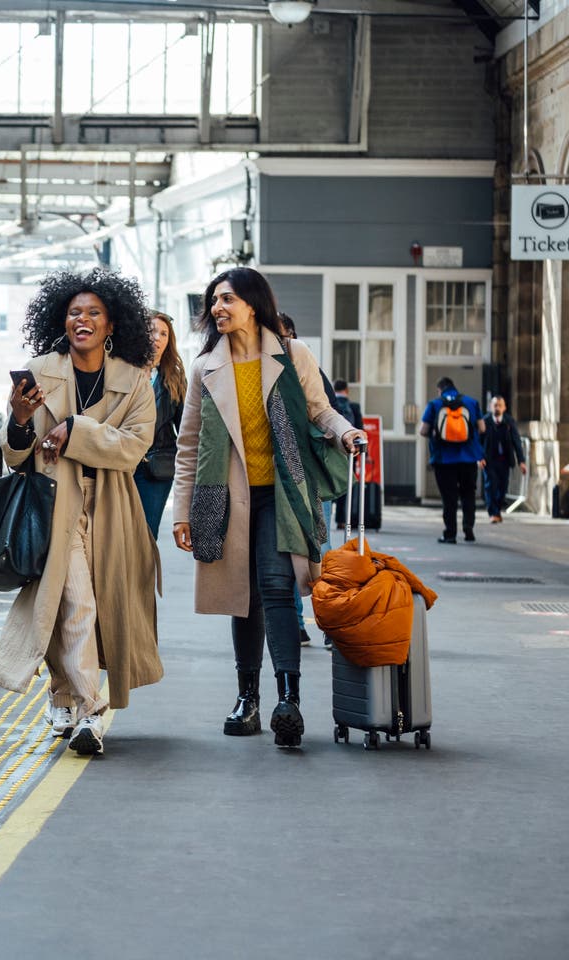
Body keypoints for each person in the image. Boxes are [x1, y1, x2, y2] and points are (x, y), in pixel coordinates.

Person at [171, 268, 363, 749]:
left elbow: (320, 410)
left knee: (277, 585)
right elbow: (189, 444)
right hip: (226, 495)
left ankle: (288, 700)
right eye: (213, 300)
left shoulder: (293, 354)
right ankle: (247, 698)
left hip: (282, 491)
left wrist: (346, 433)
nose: (218, 307)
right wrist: (181, 511)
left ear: (253, 305)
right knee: (243, 594)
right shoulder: (204, 367)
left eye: (227, 298)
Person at [0, 268, 163, 757]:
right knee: (74, 602)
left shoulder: (135, 381)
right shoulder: (40, 369)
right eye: (73, 313)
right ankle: (90, 711)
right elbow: (15, 455)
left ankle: (63, 694)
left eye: (93, 313)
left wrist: (75, 431)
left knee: (91, 608)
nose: (81, 320)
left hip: (112, 509)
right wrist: (21, 421)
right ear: (61, 321)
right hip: (53, 505)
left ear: (112, 326)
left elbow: (134, 448)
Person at [277, 314, 335, 647]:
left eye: (287, 336)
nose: (282, 342)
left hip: (312, 474)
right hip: (282, 479)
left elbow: (328, 412)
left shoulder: (308, 367)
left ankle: (329, 620)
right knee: (289, 552)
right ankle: (297, 622)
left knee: (320, 550)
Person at [133, 311, 185, 540]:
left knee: (145, 535)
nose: (157, 338)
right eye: (152, 331)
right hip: (124, 464)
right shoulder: (125, 372)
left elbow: (186, 430)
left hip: (157, 468)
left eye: (164, 333)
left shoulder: (174, 379)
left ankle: (143, 577)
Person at [418, 377, 485, 544]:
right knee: (468, 494)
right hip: (469, 458)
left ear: (440, 390)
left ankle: (450, 534)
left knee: (449, 498)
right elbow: (482, 428)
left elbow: (423, 430)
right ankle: (468, 528)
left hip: (443, 459)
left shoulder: (434, 404)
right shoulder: (471, 402)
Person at [482, 394, 527, 523]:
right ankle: (493, 513)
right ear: (491, 407)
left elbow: (516, 441)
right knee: (490, 485)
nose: (497, 408)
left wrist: (521, 461)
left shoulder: (509, 421)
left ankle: (497, 510)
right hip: (489, 460)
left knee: (502, 486)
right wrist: (479, 457)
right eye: (495, 405)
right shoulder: (485, 421)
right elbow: (479, 441)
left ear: (504, 407)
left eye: (500, 405)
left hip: (504, 460)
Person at [329, 379, 364, 528]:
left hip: (332, 451)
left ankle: (326, 517)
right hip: (350, 451)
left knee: (329, 482)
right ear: (347, 390)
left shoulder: (330, 405)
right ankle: (342, 520)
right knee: (346, 484)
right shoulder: (354, 407)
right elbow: (360, 430)